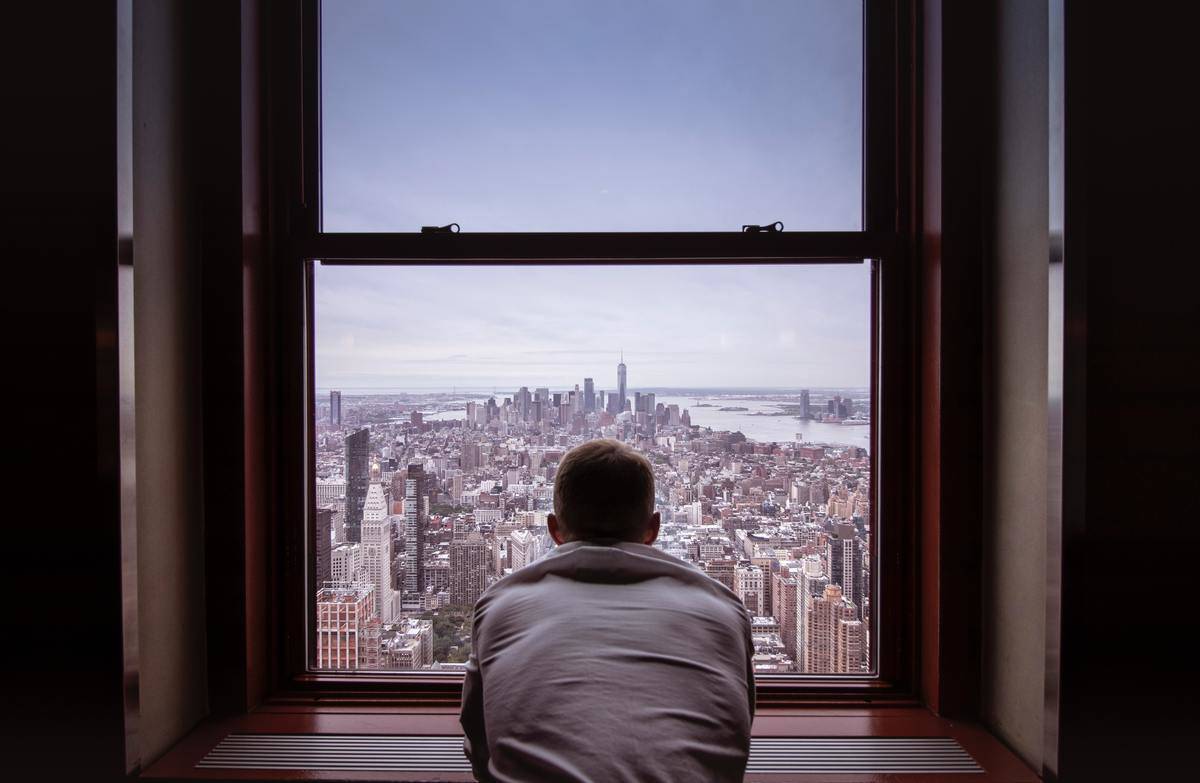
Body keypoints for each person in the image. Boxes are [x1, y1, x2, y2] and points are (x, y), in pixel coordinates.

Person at [460, 439, 755, 782]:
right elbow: (737, 728)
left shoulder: (501, 607)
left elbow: (478, 740)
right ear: (653, 529)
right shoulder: (722, 611)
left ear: (554, 529)